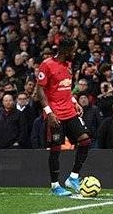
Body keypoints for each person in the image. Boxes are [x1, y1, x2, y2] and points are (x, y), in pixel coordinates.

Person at [36, 37, 91, 196]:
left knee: (85, 141)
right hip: (55, 114)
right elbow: (40, 91)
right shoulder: (47, 65)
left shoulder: (68, 64)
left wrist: (74, 101)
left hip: (69, 111)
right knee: (55, 149)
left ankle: (73, 178)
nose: (75, 53)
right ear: (66, 51)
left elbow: (66, 88)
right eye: (73, 50)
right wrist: (49, 112)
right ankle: (55, 186)